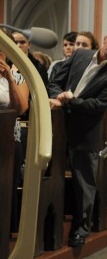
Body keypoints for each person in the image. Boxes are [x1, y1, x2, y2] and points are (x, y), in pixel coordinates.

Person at [47, 27, 107, 247]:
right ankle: (47, 225)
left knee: (84, 182)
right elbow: (56, 80)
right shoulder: (80, 54)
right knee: (49, 173)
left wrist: (69, 99)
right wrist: (57, 96)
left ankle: (80, 230)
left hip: (86, 129)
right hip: (58, 122)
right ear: (104, 38)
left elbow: (99, 105)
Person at [0, 28, 30, 232]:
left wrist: (9, 77)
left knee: (5, 188)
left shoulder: (20, 77)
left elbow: (21, 108)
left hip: (9, 140)